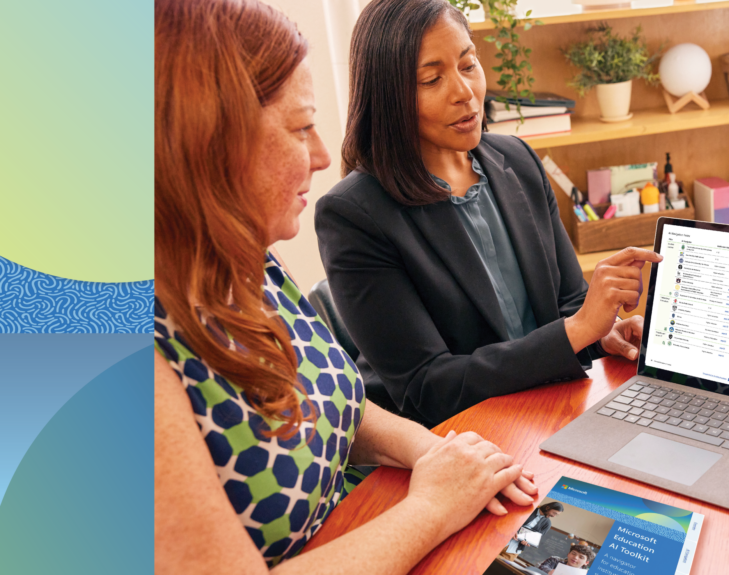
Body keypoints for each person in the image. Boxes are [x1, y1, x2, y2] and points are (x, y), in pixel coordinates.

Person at [153, 1, 537, 572]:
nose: (321, 155)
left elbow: (338, 410)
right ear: (208, 146)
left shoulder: (245, 257)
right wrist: (433, 505)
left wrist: (443, 455)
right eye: (298, 128)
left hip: (371, 520)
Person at [315, 0, 662, 427]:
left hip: (544, 411)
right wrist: (577, 332)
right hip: (454, 438)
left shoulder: (515, 159)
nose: (464, 91)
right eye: (431, 79)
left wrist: (600, 335)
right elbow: (429, 386)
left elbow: (567, 303)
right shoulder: (353, 215)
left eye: (468, 64)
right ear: (387, 95)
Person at [499, 502, 563, 561]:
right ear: (547, 507)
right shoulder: (529, 510)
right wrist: (512, 529)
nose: (554, 516)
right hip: (501, 540)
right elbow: (510, 520)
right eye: (554, 513)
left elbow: (536, 538)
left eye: (556, 515)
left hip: (514, 549)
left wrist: (527, 542)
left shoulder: (547, 524)